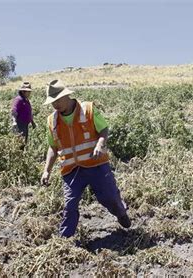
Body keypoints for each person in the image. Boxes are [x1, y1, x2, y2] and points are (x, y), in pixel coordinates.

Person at [40, 79, 131, 239]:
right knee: (69, 206)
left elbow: (103, 130)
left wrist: (99, 144)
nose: (56, 105)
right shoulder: (51, 121)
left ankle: (121, 213)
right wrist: (46, 170)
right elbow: (53, 147)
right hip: (71, 170)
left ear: (67, 96)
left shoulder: (88, 109)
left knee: (108, 198)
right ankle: (64, 241)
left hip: (96, 165)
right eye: (53, 102)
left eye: (58, 100)